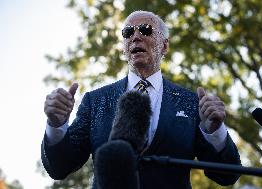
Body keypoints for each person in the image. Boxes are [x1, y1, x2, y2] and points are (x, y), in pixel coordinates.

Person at [42, 10, 241, 189]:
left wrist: (215, 131)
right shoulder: (96, 101)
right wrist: (56, 125)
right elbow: (60, 168)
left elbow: (227, 175)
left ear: (164, 45)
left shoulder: (190, 103)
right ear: (123, 47)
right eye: (128, 33)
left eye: (145, 30)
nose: (136, 36)